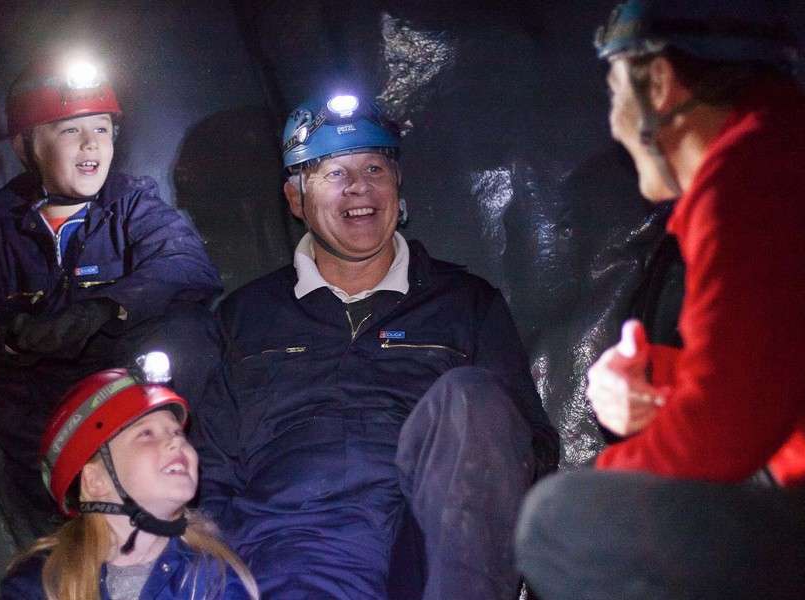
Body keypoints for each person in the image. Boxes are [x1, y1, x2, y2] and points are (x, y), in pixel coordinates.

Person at [515, 2, 805, 599]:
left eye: (614, 89)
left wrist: (599, 481)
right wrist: (660, 382)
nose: (613, 122)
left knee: (561, 521)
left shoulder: (758, 177)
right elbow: (784, 371)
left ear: (660, 83)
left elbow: (719, 439)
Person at [190, 93, 560, 600]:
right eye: (334, 173)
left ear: (398, 184)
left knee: (471, 396)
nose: (360, 187)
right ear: (296, 199)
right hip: (287, 546)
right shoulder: (246, 317)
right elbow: (209, 470)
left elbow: (527, 447)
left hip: (429, 547)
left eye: (374, 168)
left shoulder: (465, 304)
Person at [0, 53, 224, 538]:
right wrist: (16, 337)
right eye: (69, 130)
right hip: (42, 398)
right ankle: (59, 522)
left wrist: (103, 309)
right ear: (25, 145)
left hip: (124, 386)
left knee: (191, 333)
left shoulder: (132, 203)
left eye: (100, 129)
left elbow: (186, 265)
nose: (90, 143)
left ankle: (160, 497)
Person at [2, 357, 258, 599]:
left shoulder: (214, 577)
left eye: (178, 432)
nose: (176, 441)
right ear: (95, 481)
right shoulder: (42, 582)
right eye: (146, 434)